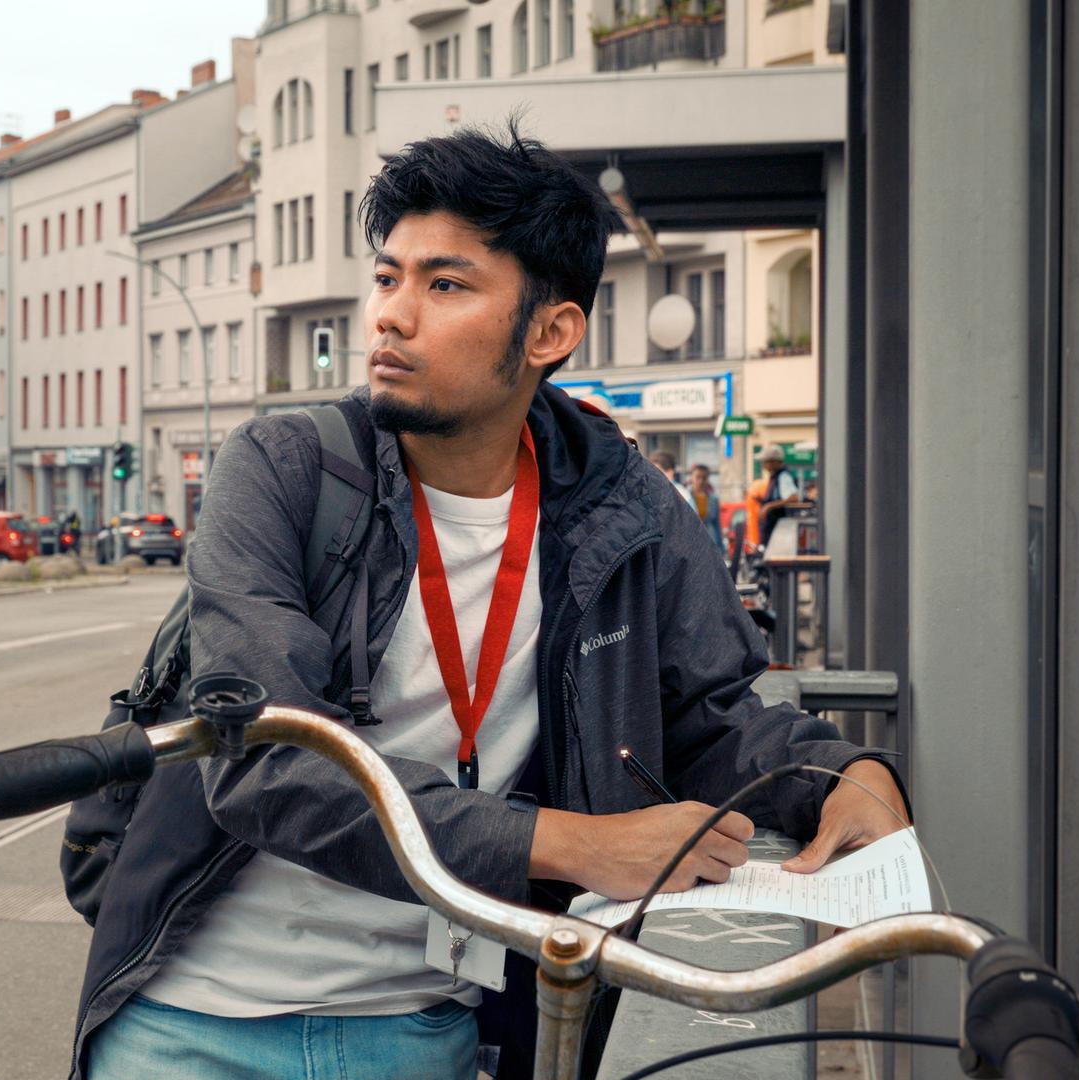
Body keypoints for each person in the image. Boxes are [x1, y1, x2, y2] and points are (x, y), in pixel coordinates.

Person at [74, 121, 907, 1080]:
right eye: (388, 277)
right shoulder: (285, 470)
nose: (390, 314)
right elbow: (269, 759)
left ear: (550, 332)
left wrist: (846, 773)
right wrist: (576, 846)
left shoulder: (625, 507)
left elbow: (711, 716)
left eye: (446, 284)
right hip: (189, 1020)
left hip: (426, 1027)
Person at [744, 444, 804, 553]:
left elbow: (793, 497)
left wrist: (769, 506)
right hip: (773, 531)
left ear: (775, 462)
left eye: (766, 461)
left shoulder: (783, 476)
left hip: (779, 531)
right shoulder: (775, 477)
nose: (763, 465)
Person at [688, 464, 725, 558]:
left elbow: (717, 524)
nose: (700, 481)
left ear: (708, 479)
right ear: (691, 478)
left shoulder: (713, 499)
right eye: (698, 477)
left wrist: (721, 548)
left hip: (709, 543)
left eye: (704, 478)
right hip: (690, 544)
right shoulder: (685, 496)